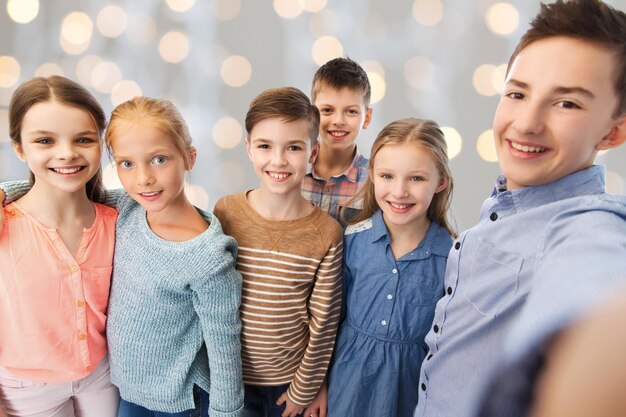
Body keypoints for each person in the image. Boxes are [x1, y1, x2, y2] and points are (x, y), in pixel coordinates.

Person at [412, 1, 626, 417]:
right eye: (517, 93)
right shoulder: (505, 206)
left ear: (613, 131)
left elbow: (593, 287)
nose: (527, 122)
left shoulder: (587, 228)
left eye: (567, 103)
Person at [0, 97, 245, 417]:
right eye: (127, 164)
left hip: (180, 400)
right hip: (126, 393)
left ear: (189, 157)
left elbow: (224, 347)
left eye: (159, 160)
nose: (144, 179)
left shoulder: (209, 255)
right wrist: (7, 192)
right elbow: (63, 191)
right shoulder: (128, 208)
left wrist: (227, 413)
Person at [212, 87, 343, 417]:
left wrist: (304, 390)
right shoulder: (226, 212)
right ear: (249, 149)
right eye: (265, 146)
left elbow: (323, 324)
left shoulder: (326, 232)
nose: (279, 160)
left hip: (287, 385)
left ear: (312, 153)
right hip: (228, 379)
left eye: (294, 147)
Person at [0, 76, 119, 416]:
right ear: (20, 147)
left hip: (101, 376)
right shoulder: (6, 224)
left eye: (83, 139)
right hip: (24, 389)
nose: (66, 153)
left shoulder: (119, 220)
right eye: (45, 141)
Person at [327, 118, 455, 417]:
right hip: (345, 387)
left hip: (410, 394)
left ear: (441, 181)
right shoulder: (350, 240)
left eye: (416, 179)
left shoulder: (452, 257)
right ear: (371, 175)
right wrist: (316, 388)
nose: (399, 191)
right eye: (387, 175)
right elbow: (328, 324)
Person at [302, 57, 373, 224]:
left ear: (367, 118)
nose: (338, 121)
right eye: (327, 110)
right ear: (312, 114)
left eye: (351, 112)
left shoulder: (374, 180)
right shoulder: (294, 167)